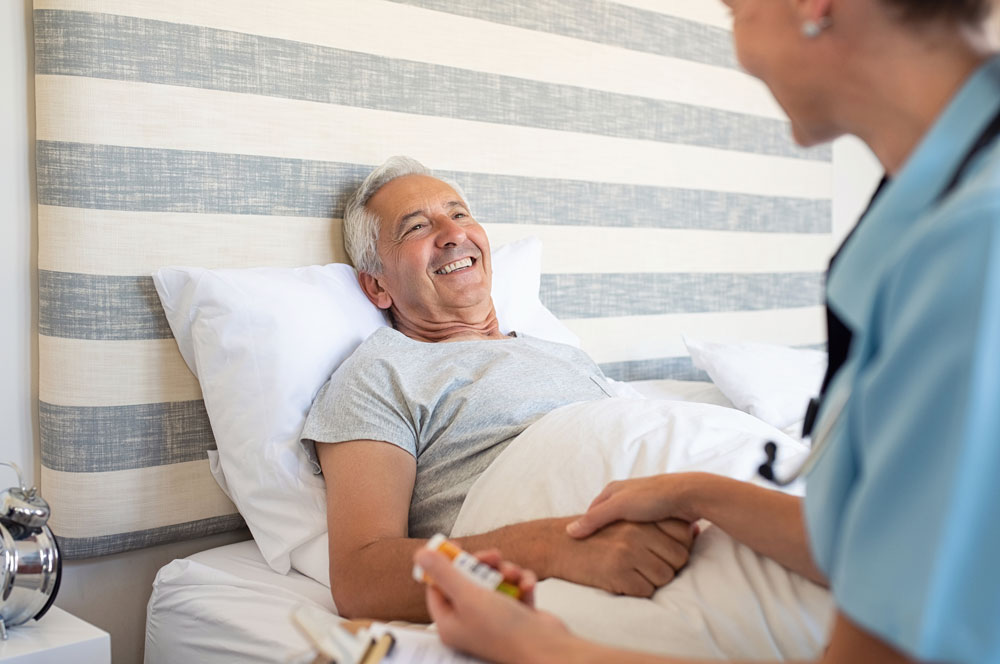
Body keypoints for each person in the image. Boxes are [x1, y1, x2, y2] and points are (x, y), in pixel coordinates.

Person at [413, 0, 1000, 662]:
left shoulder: (970, 250)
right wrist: (696, 489)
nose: (740, 48)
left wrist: (539, 649)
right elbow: (894, 547)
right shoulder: (939, 217)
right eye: (414, 225)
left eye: (734, 11)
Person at [300, 156, 698, 622]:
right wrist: (556, 547)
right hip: (601, 557)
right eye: (415, 228)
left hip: (691, 497)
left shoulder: (562, 353)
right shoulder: (379, 373)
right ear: (377, 286)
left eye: (460, 214)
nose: (453, 234)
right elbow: (362, 579)